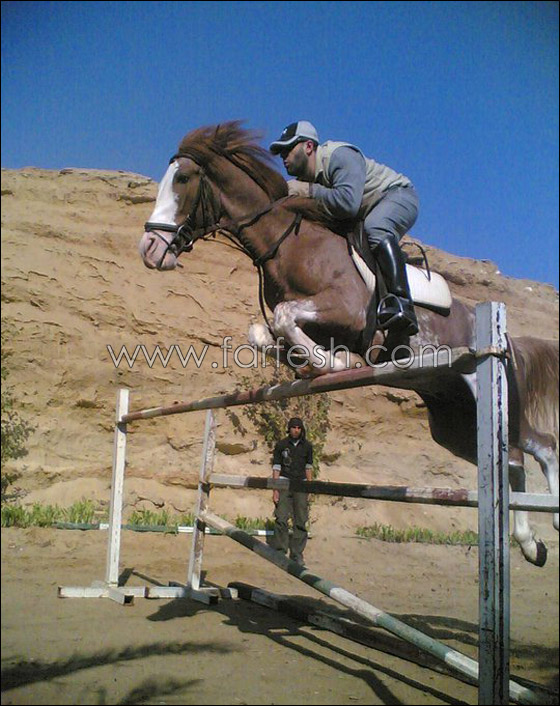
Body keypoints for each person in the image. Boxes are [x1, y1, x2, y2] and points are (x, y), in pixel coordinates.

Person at [269, 120, 419, 336]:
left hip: (397, 196)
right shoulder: (306, 179)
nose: (284, 157)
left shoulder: (339, 156)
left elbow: (348, 204)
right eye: (281, 152)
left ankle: (402, 304)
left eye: (288, 149)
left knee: (376, 227)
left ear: (308, 147)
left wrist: (308, 191)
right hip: (364, 211)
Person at [271, 417, 314, 567]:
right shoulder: (281, 445)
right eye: (293, 427)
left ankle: (297, 554)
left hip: (301, 484)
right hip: (283, 482)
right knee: (281, 517)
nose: (296, 430)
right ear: (288, 428)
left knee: (300, 520)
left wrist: (310, 488)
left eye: (298, 428)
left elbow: (308, 468)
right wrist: (275, 489)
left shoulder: (307, 446)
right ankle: (279, 551)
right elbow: (276, 467)